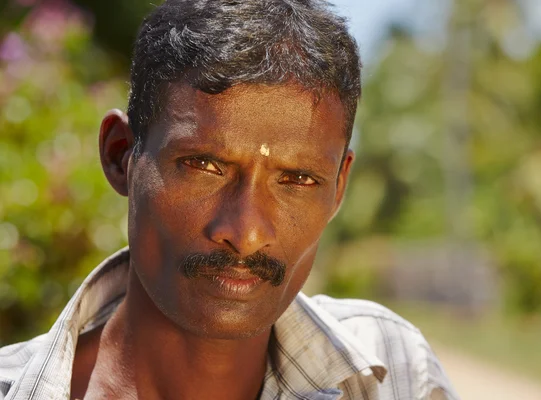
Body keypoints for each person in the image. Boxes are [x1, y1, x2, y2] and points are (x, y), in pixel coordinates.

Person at [0, 1, 459, 399]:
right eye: (204, 166)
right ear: (121, 155)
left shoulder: (395, 373)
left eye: (298, 179)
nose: (245, 233)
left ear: (339, 187)